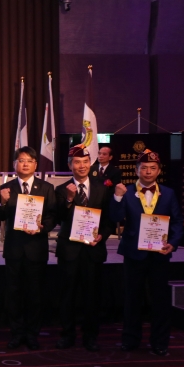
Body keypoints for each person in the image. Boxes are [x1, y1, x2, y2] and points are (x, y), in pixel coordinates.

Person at [109, 149, 183, 356]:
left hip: (160, 253)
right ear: (136, 170)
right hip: (134, 253)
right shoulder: (126, 192)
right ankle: (130, 340)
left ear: (159, 171)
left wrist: (173, 243)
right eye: (144, 168)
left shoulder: (168, 193)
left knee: (160, 300)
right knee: (132, 298)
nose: (148, 171)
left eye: (152, 168)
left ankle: (160, 342)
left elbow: (177, 221)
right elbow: (115, 217)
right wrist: (117, 197)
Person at [54, 145, 113, 352]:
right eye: (77, 162)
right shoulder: (61, 189)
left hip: (93, 250)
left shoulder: (102, 188)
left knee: (92, 296)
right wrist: (69, 200)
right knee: (67, 295)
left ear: (90, 164)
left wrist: (102, 235)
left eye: (85, 162)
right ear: (69, 165)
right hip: (69, 250)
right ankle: (67, 334)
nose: (82, 166)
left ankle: (91, 336)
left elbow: (109, 221)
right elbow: (58, 218)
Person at [0, 146, 57, 351]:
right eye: (21, 160)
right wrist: (3, 202)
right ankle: (16, 333)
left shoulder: (46, 188)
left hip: (36, 248)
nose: (25, 164)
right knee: (13, 293)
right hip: (14, 249)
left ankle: (32, 334)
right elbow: (0, 216)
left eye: (29, 161)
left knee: (35, 293)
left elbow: (52, 216)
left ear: (35, 164)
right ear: (15, 164)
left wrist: (42, 228)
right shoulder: (6, 187)